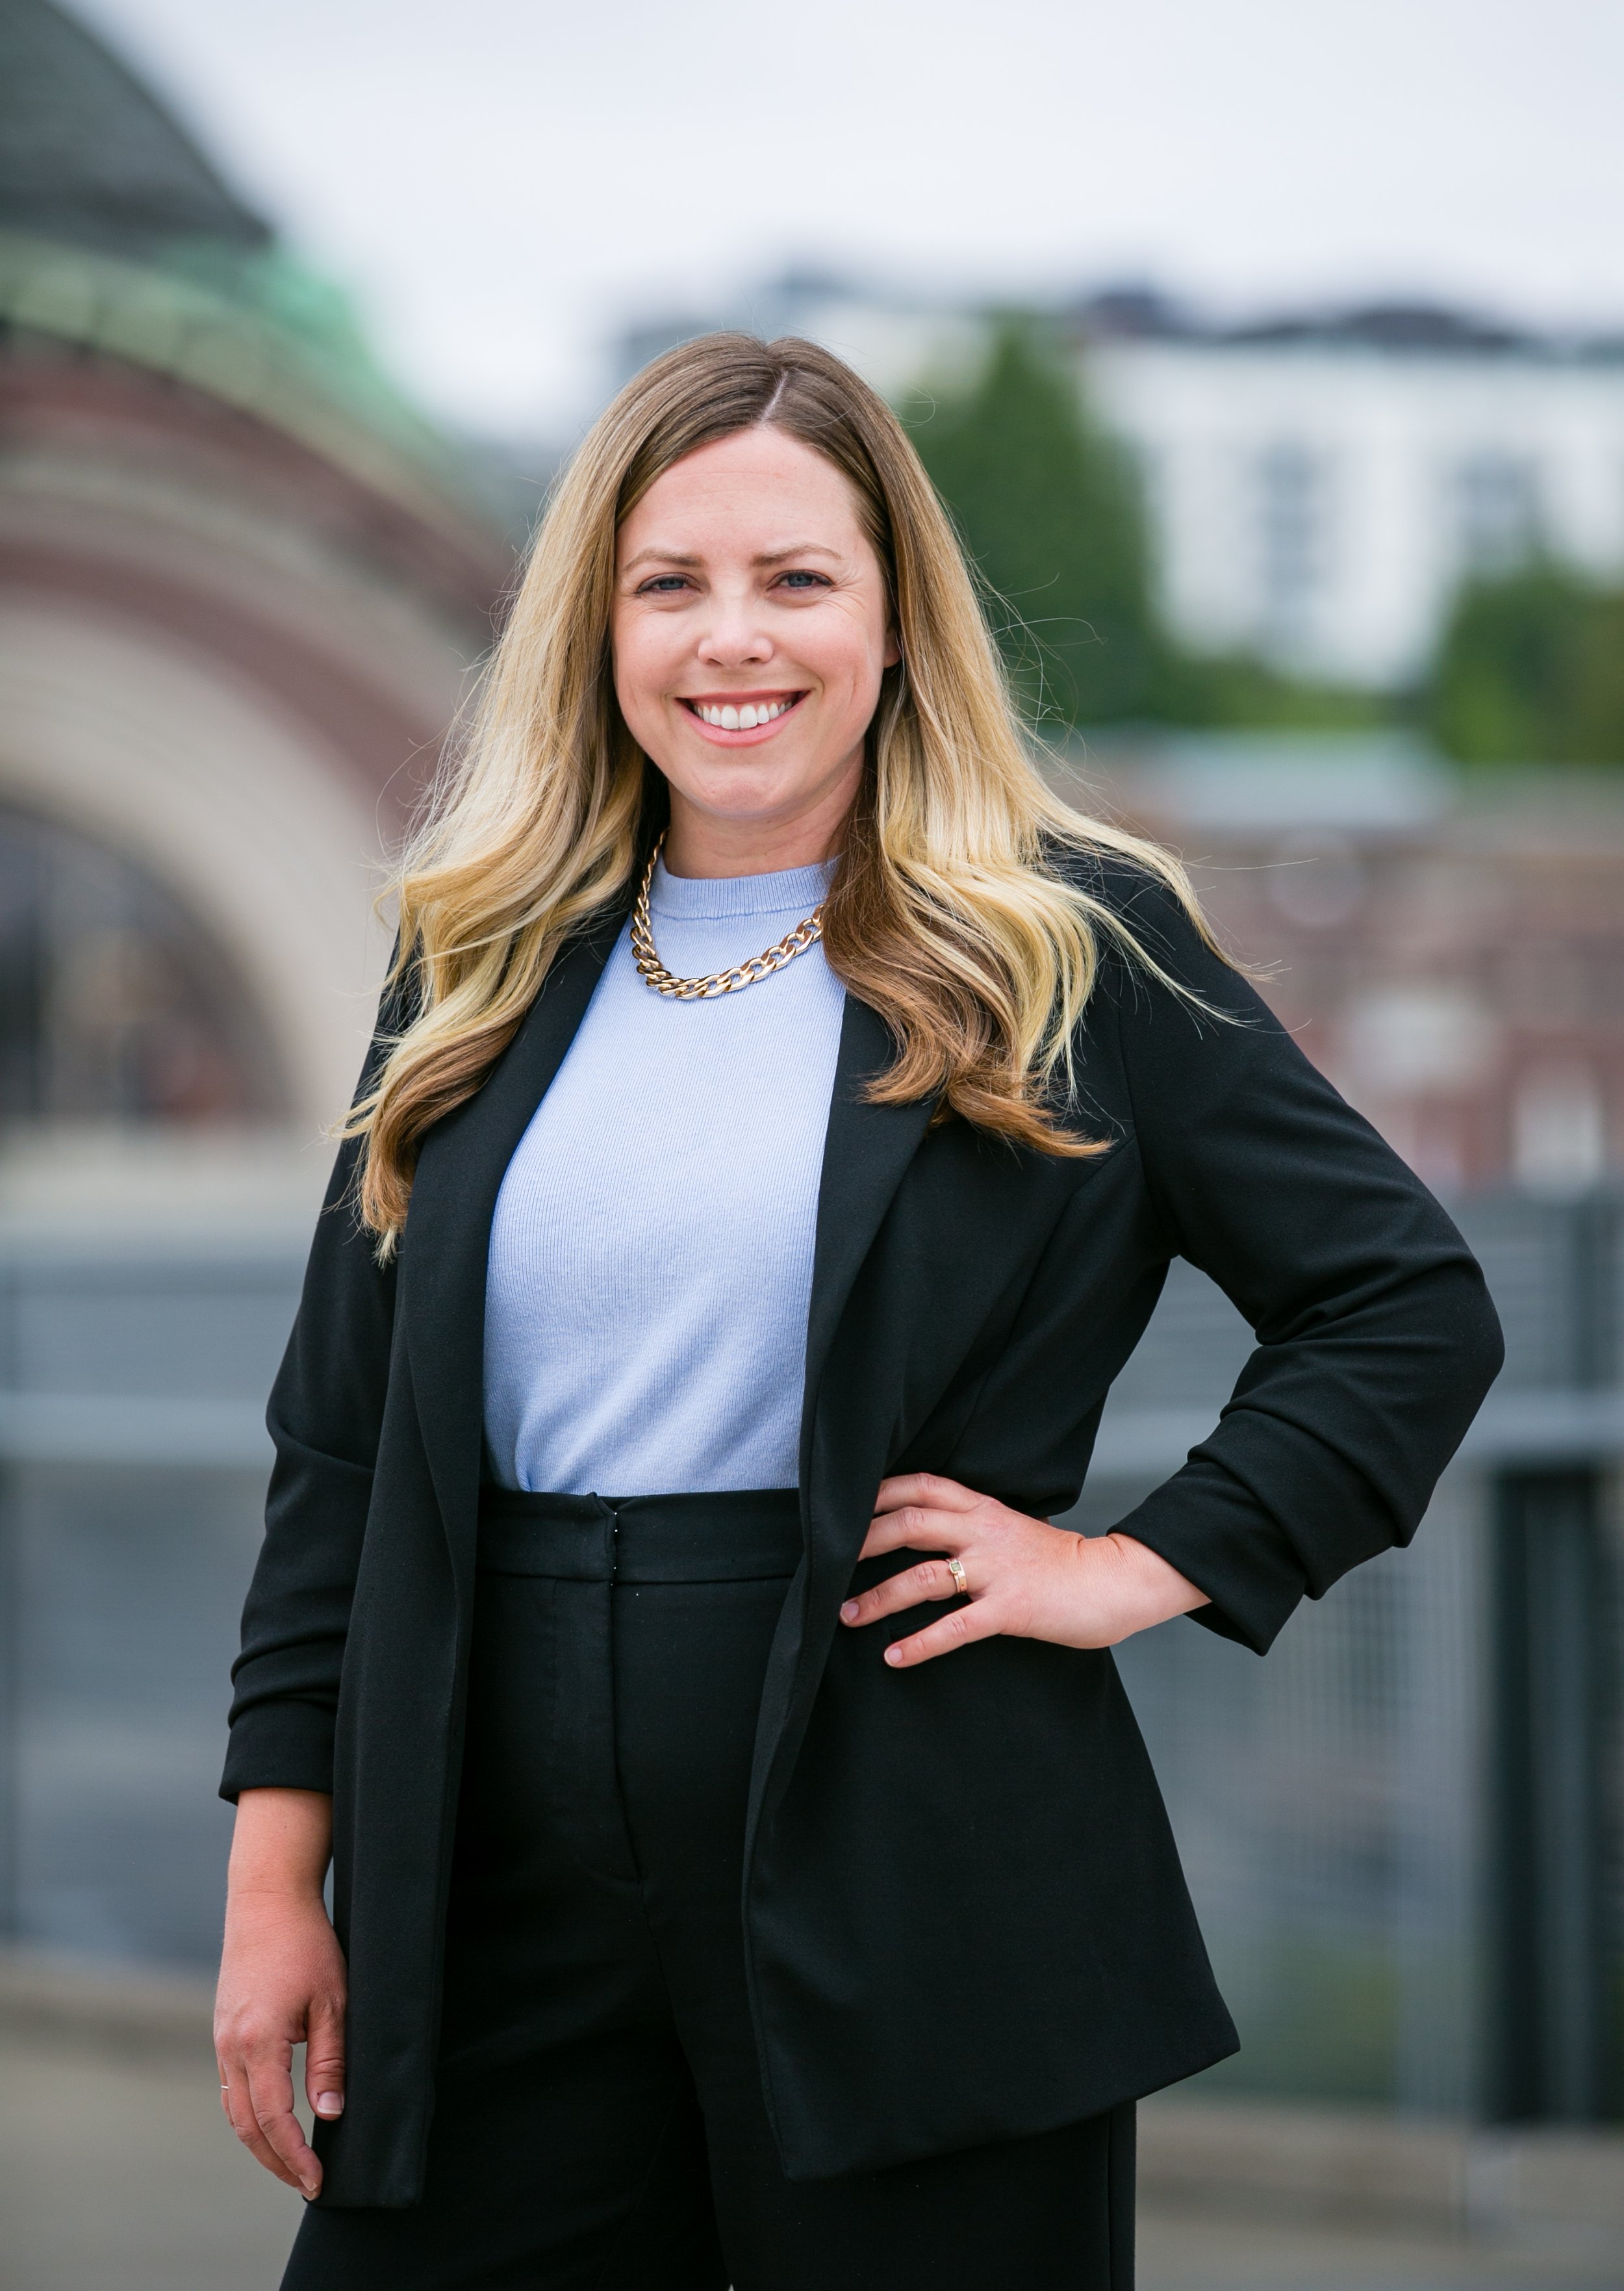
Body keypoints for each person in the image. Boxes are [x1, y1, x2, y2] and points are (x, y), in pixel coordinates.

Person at [214, 333, 1502, 2291]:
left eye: (795, 581)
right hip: (483, 1866)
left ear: (894, 623)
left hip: (917, 1859)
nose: (732, 641)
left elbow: (1398, 1301)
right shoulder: (470, 957)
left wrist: (1139, 1562)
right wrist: (275, 1881)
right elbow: (338, 1442)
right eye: (672, 586)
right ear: (597, 627)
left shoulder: (1064, 945)